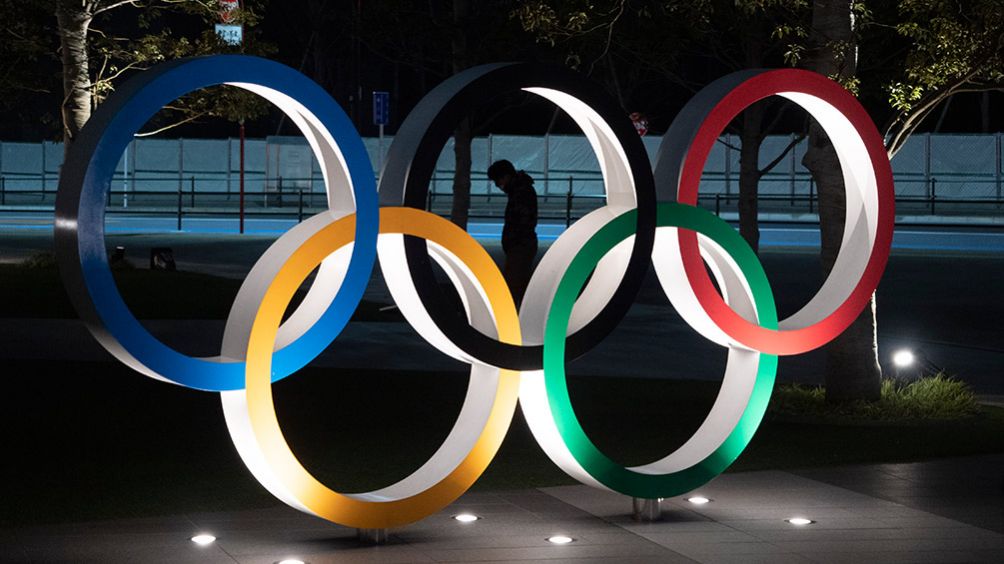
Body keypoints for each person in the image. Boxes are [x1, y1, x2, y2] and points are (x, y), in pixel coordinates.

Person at [487, 159, 538, 306]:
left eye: (498, 180)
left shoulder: (520, 192)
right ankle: (522, 318)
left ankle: (513, 321)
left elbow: (522, 221)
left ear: (506, 176)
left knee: (514, 286)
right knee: (519, 285)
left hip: (519, 245)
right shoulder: (521, 189)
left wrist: (512, 240)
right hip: (521, 244)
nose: (498, 185)